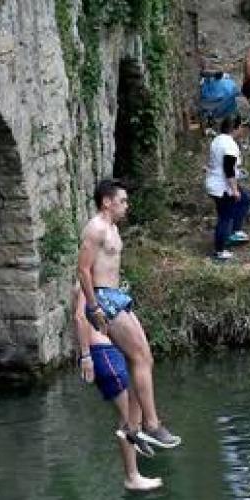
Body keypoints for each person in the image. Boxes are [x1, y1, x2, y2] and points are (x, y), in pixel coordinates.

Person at [77, 179, 182, 452]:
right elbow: (83, 270)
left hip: (116, 297)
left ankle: (134, 427)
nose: (127, 206)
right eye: (122, 201)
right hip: (103, 298)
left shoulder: (111, 228)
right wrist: (94, 306)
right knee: (140, 358)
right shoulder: (96, 228)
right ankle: (151, 424)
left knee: (143, 359)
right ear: (107, 202)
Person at [72, 284, 163, 492]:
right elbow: (80, 317)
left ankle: (138, 441)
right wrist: (85, 356)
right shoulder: (85, 284)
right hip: (102, 352)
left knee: (136, 404)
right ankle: (132, 476)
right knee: (127, 415)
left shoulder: (101, 283)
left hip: (111, 349)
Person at [206, 116, 250, 262]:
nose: (242, 129)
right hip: (222, 186)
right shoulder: (230, 146)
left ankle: (236, 231)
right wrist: (234, 189)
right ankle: (219, 252)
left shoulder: (218, 139)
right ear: (236, 128)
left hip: (217, 181)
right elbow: (228, 168)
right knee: (225, 217)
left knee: (245, 200)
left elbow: (219, 162)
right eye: (241, 126)